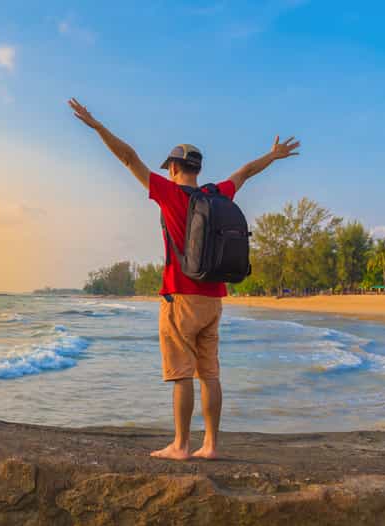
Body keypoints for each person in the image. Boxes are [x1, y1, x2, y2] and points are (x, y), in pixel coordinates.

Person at [68, 98, 300, 460]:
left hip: (180, 296)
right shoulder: (217, 193)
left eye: (170, 166)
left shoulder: (168, 193)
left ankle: (180, 445)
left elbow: (128, 158)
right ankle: (211, 445)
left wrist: (97, 126)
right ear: (198, 168)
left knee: (181, 374)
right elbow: (245, 172)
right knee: (210, 373)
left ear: (174, 167)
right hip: (214, 299)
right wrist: (272, 156)